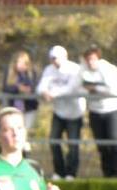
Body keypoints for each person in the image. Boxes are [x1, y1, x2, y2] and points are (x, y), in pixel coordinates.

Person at [36, 45, 85, 180]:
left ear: (65, 57)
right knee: (53, 141)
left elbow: (71, 88)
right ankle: (59, 171)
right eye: (52, 58)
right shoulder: (49, 70)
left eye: (56, 58)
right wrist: (44, 92)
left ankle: (71, 173)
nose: (54, 61)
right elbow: (41, 86)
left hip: (75, 113)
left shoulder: (74, 69)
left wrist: (52, 93)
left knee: (73, 145)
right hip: (59, 112)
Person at [80, 45, 117, 178]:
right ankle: (107, 174)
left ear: (98, 58)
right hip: (95, 111)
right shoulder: (83, 71)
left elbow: (114, 90)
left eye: (92, 59)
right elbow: (79, 88)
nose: (90, 62)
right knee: (101, 145)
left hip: (111, 110)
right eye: (87, 59)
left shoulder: (109, 69)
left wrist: (95, 89)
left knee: (114, 141)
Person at [2, 50, 39, 133]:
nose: (21, 65)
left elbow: (36, 88)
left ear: (27, 64)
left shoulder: (32, 73)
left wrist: (29, 89)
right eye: (19, 62)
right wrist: (18, 88)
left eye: (23, 63)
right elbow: (5, 88)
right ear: (14, 63)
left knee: (25, 132)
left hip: (29, 108)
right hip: (12, 108)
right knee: (14, 132)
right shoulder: (9, 72)